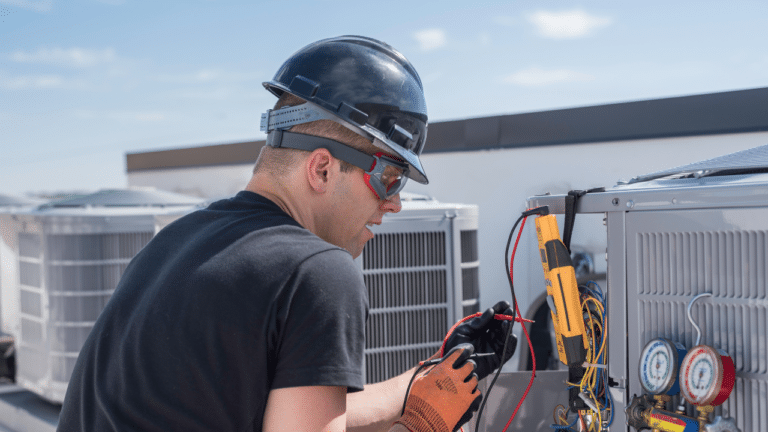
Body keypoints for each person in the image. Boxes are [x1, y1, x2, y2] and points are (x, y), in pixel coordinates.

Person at [57, 36, 516, 432]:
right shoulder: (317, 272)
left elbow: (298, 414)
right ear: (321, 167)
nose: (394, 203)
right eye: (390, 178)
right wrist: (423, 422)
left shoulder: (175, 243)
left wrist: (427, 380)